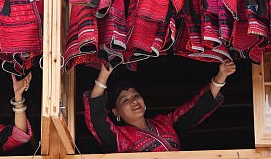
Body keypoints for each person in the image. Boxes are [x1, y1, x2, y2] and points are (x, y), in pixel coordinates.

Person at [83, 60, 237, 153]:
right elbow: (96, 117)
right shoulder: (117, 137)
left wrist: (221, 76)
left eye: (136, 95)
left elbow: (195, 109)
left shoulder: (166, 123)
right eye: (125, 100)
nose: (134, 101)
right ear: (116, 112)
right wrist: (103, 76)